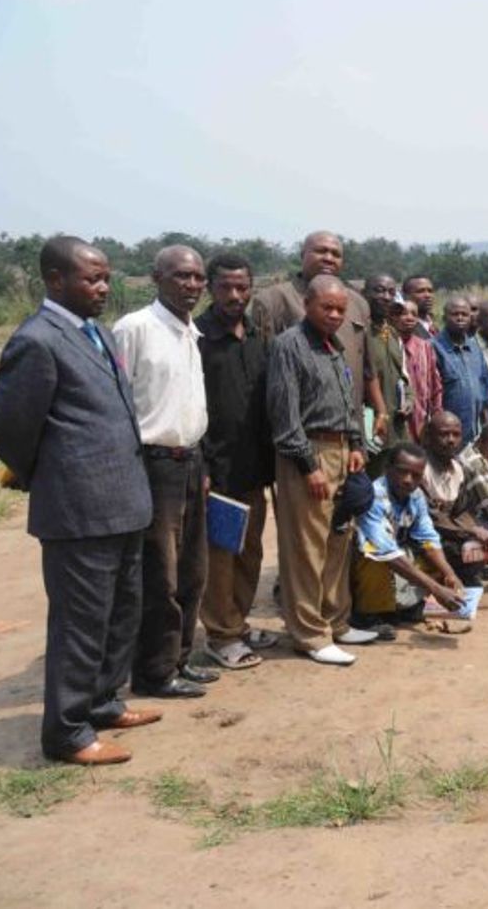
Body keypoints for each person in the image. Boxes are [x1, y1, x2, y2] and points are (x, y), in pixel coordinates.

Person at [0, 237, 156, 765]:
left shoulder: (96, 332)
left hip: (123, 502)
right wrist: (48, 474)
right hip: (79, 510)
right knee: (80, 624)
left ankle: (103, 702)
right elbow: (10, 429)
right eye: (92, 279)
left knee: (119, 616)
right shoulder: (37, 340)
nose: (104, 288)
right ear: (56, 280)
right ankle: (66, 734)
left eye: (106, 278)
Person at [112, 245, 214, 699]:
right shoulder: (135, 328)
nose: (191, 285)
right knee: (160, 575)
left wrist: (202, 462)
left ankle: (180, 659)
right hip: (153, 465)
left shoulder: (191, 331)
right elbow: (115, 403)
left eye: (197, 278)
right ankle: (153, 672)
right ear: (157, 277)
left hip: (190, 461)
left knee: (193, 571)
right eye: (181, 276)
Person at [267, 274, 377, 666]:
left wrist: (357, 445)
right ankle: (310, 634)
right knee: (306, 548)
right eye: (326, 307)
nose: (333, 315)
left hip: (342, 451)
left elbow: (350, 401)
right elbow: (285, 414)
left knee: (338, 541)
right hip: (308, 454)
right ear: (307, 305)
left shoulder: (335, 346)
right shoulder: (289, 346)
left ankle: (336, 621)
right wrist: (308, 465)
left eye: (340, 310)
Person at [196, 253, 277, 672]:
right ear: (211, 288)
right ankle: (220, 635)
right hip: (218, 470)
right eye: (226, 287)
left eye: (242, 287)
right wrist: (204, 466)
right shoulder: (198, 338)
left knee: (250, 552)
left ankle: (238, 622)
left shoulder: (257, 337)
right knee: (221, 557)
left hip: (254, 469)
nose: (234, 295)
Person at [250, 231, 389, 443]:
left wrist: (380, 410)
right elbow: (262, 374)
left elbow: (367, 367)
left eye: (336, 254)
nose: (329, 258)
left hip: (351, 431)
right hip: (301, 434)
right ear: (302, 254)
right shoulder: (273, 300)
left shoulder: (358, 303)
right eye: (320, 251)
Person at [351, 442, 468, 633]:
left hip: (397, 554)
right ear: (387, 469)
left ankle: (404, 608)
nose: (408, 480)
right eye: (402, 472)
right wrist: (436, 589)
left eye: (416, 475)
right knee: (373, 559)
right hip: (370, 559)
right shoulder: (374, 496)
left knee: (438, 557)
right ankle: (368, 617)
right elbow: (386, 552)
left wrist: (449, 574)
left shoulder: (416, 495)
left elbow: (428, 537)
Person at [418, 411, 488, 589]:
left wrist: (475, 529)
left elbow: (462, 510)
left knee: (478, 546)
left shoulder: (459, 469)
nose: (451, 440)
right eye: (444, 434)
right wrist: (469, 531)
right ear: (429, 437)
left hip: (451, 533)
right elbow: (430, 517)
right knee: (458, 548)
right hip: (422, 535)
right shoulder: (419, 469)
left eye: (456, 435)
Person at [433, 295, 488, 441]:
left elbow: (485, 387)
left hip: (475, 433)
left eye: (464, 314)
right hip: (447, 435)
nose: (460, 318)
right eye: (455, 314)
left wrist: (487, 426)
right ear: (444, 318)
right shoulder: (433, 348)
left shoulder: (474, 348)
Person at [362, 274, 408, 456]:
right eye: (379, 291)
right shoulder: (360, 332)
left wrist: (409, 398)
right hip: (371, 426)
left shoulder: (393, 334)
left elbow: (403, 374)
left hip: (396, 426)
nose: (386, 297)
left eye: (391, 292)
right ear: (365, 294)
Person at [396, 299, 442, 444]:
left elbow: (435, 386)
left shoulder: (425, 347)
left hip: (421, 425)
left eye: (414, 314)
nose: (409, 318)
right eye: (403, 313)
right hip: (396, 425)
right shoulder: (388, 345)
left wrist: (436, 414)